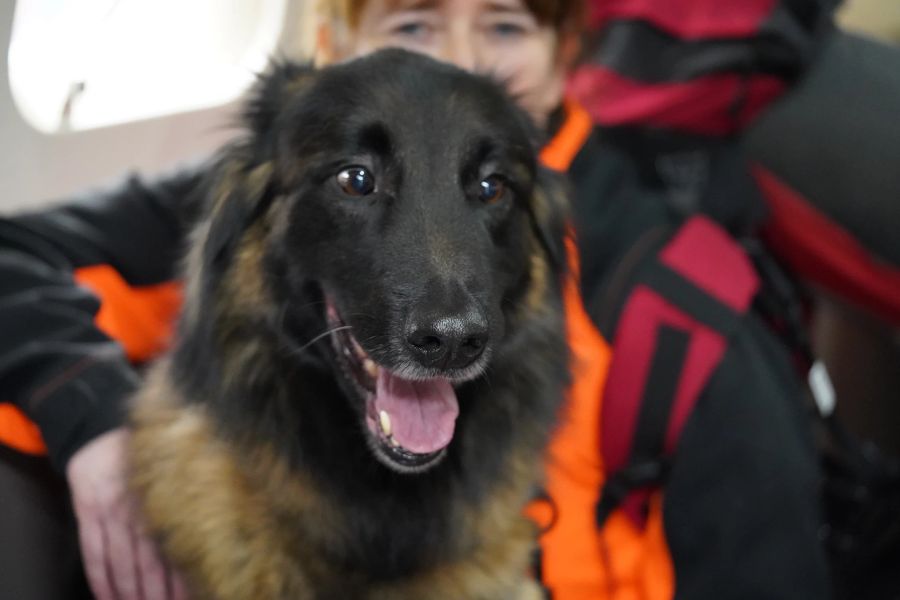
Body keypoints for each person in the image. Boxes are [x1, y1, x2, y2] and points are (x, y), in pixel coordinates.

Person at [0, 0, 836, 598]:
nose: (460, 56)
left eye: (504, 23)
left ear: (563, 51)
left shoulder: (677, 286)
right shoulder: (263, 180)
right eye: (414, 22)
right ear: (339, 33)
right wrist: (90, 423)